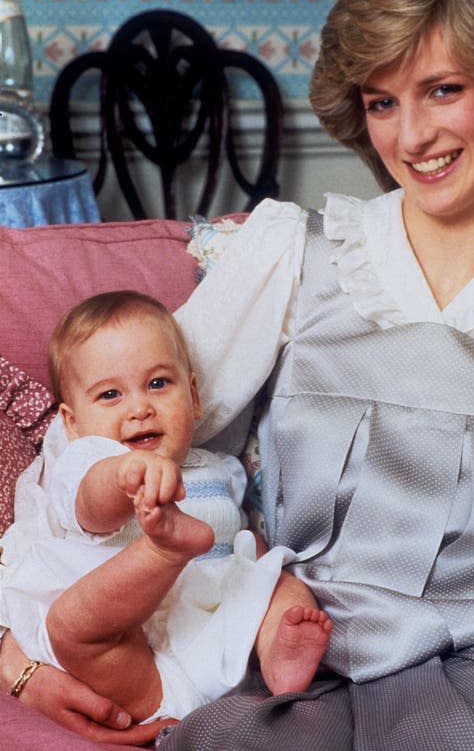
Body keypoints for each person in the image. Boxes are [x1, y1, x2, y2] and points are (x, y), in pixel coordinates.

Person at [2, 0, 474, 751]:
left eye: (443, 91)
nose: (411, 137)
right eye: (383, 102)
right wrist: (17, 657)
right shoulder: (298, 259)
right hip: (296, 663)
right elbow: (108, 453)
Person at [0, 291, 331, 724]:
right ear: (72, 423)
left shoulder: (223, 469)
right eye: (110, 395)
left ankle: (280, 658)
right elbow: (92, 508)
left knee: (279, 581)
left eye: (158, 384)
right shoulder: (85, 464)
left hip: (218, 625)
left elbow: (246, 538)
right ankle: (164, 550)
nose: (140, 408)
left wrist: (267, 574)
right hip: (133, 648)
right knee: (69, 628)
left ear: (193, 395)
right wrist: (123, 475)